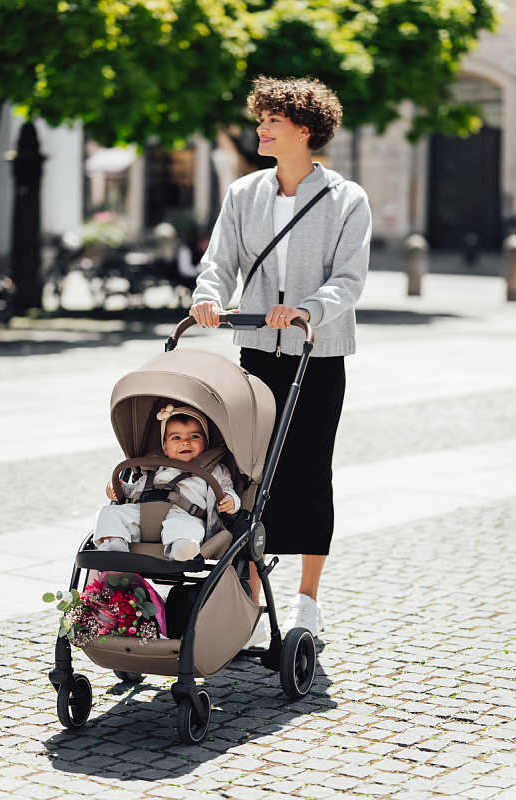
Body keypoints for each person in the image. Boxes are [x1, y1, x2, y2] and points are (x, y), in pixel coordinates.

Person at [190, 76, 371, 638]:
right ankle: (248, 590)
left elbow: (349, 278)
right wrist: (208, 297)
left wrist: (307, 310)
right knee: (250, 472)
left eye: (273, 120)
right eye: (261, 118)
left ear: (304, 130)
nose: (261, 128)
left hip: (317, 352)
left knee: (310, 471)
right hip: (257, 351)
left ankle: (307, 600)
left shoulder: (346, 198)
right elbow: (220, 262)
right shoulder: (244, 193)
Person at [93, 404, 240, 561]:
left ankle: (181, 549)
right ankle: (115, 544)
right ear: (165, 447)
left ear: (206, 443)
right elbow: (136, 490)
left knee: (189, 527)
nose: (185, 442)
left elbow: (226, 489)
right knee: (107, 512)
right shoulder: (155, 468)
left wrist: (231, 500)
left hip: (183, 515)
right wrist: (118, 488)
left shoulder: (215, 470)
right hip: (143, 515)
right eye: (176, 438)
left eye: (194, 437)